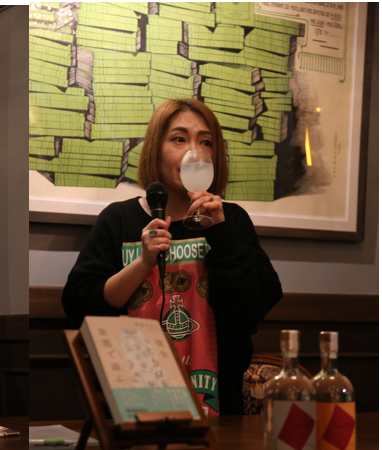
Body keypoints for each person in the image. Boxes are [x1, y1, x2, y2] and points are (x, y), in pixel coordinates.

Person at [62, 98, 282, 417]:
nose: (194, 152)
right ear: (156, 149)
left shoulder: (231, 220)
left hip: (216, 402)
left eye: (206, 142)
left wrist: (221, 232)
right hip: (131, 403)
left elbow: (249, 311)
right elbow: (80, 306)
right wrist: (142, 262)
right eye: (179, 139)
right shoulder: (118, 219)